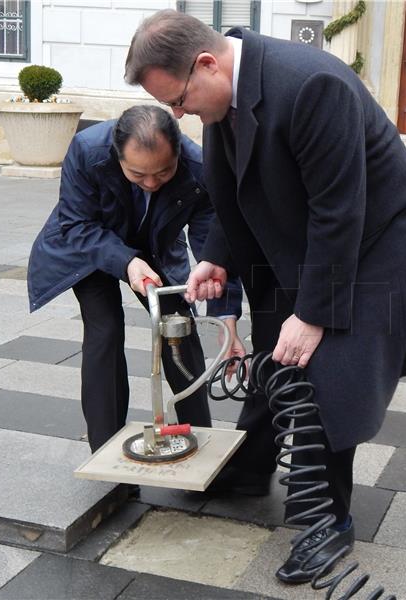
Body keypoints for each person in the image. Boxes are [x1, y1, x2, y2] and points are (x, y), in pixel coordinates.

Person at [124, 11, 406, 583]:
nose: (177, 114)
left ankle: (327, 524)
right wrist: (216, 255)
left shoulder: (312, 85)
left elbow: (340, 209)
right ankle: (250, 470)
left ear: (206, 63)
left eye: (177, 100)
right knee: (276, 348)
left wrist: (315, 313)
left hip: (378, 236)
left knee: (329, 372)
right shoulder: (217, 94)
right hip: (304, 230)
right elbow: (233, 187)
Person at [27, 105, 244, 453]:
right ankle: (106, 450)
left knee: (178, 325)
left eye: (163, 172)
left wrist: (225, 315)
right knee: (105, 329)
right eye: (138, 174)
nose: (152, 183)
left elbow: (216, 249)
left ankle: (199, 440)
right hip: (90, 247)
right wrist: (127, 262)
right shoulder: (86, 150)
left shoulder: (199, 167)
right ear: (117, 156)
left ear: (178, 151)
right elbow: (76, 224)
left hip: (154, 247)